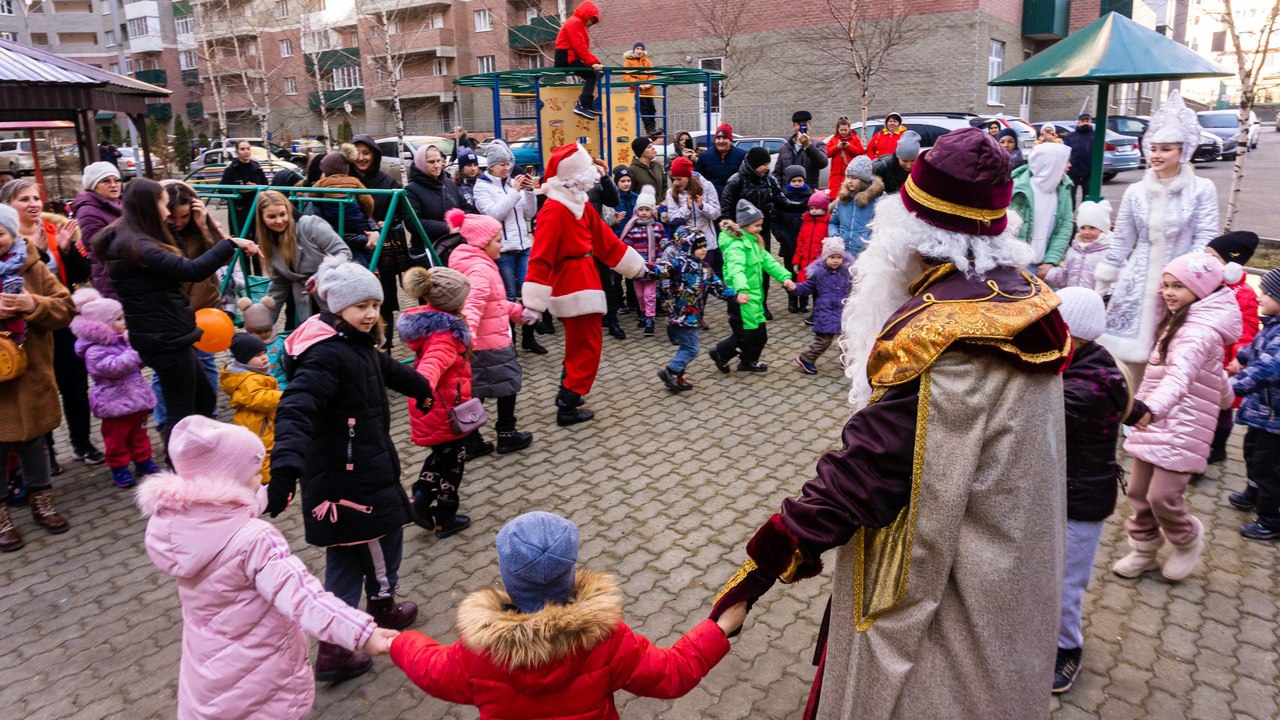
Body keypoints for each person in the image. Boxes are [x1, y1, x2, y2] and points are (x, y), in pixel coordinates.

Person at [708, 128, 1073, 720]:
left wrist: (757, 572)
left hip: (947, 578)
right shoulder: (1026, 297)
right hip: (1012, 561)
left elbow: (862, 476)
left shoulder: (940, 337)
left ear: (909, 235)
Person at [136, 415, 399, 716]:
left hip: (210, 680)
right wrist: (361, 634)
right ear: (229, 480)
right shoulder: (256, 541)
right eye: (253, 473)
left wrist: (265, 498)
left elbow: (223, 509)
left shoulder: (177, 525)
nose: (260, 479)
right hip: (261, 681)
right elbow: (304, 598)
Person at [390, 511, 745, 716]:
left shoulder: (479, 652)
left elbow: (429, 669)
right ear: (571, 572)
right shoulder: (607, 639)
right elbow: (671, 674)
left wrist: (397, 643)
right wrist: (719, 628)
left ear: (507, 576)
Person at [265, 256, 433, 680]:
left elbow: (383, 368)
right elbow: (297, 407)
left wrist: (420, 387)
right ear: (336, 307)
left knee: (344, 561)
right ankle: (380, 610)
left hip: (347, 473)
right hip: (352, 480)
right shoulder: (326, 355)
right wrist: (284, 467)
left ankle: (335, 643)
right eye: (361, 306)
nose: (371, 314)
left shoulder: (351, 344)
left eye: (375, 305)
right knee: (380, 546)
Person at [96, 179, 258, 445]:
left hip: (169, 333)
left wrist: (177, 226)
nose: (168, 211)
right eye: (163, 203)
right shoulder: (140, 246)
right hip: (165, 339)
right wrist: (232, 243)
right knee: (181, 413)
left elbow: (180, 259)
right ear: (150, 206)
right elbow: (190, 270)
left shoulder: (138, 237)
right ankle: (181, 469)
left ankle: (199, 450)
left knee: (204, 397)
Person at [1112, 253, 1238, 583]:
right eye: (1166, 285)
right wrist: (1226, 397)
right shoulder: (1180, 320)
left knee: (1162, 496)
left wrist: (1150, 411)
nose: (1168, 292)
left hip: (1182, 425)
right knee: (1139, 492)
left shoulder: (1197, 332)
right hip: (1159, 421)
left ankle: (1186, 541)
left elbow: (1180, 377)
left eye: (1178, 286)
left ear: (1201, 289)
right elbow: (1211, 372)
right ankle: (1144, 550)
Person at [1051, 287, 1147, 694]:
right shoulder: (1087, 361)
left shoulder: (1084, 385)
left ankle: (1066, 649)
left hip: (1080, 502)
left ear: (1068, 332)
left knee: (1065, 584)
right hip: (1061, 493)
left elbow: (1044, 414)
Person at [520, 144, 646, 426]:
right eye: (587, 171)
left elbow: (605, 241)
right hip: (570, 282)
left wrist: (637, 267)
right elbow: (540, 257)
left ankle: (571, 393)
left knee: (583, 344)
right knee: (586, 345)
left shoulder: (580, 203)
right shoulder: (554, 209)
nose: (593, 176)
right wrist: (533, 302)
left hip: (585, 276)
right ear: (573, 176)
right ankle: (567, 402)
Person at [1095, 91, 1220, 374]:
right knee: (1125, 359)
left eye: (1166, 149)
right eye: (1153, 148)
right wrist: (1105, 277)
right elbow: (1123, 239)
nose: (1156, 155)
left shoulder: (1202, 189)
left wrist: (1183, 281)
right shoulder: (1136, 192)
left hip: (1183, 285)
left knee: (1173, 360)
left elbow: (1206, 238)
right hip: (1138, 282)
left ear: (1182, 151)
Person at [3, 179, 101, 469]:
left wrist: (67, 250)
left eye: (36, 197)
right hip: (24, 332)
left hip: (59, 319)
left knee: (75, 386)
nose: (34, 204)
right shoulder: (6, 239)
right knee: (38, 390)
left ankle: (82, 443)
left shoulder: (52, 229)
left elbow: (82, 274)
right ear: (8, 207)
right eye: (24, 199)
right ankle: (46, 455)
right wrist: (41, 254)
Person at [0, 203, 75, 552]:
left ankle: (41, 502)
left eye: (0, 233)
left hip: (30, 373)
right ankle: (1, 517)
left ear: (13, 234)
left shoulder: (33, 264)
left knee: (35, 443)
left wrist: (33, 306)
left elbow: (65, 308)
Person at [446, 209, 536, 456]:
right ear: (482, 243)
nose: (502, 245)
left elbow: (494, 303)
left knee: (477, 391)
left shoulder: (473, 263)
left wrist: (519, 312)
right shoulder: (480, 269)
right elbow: (472, 306)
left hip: (482, 342)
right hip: (490, 343)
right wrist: (468, 337)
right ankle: (507, 435)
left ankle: (471, 440)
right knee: (507, 387)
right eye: (497, 240)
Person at [398, 266, 476, 539]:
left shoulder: (435, 323)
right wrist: (423, 391)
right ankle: (444, 516)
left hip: (437, 407)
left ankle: (419, 499)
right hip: (441, 409)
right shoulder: (445, 335)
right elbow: (431, 367)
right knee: (453, 462)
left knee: (440, 456)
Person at [69, 288, 159, 490]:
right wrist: (136, 354)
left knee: (140, 433)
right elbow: (112, 368)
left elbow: (137, 363)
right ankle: (119, 467)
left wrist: (141, 353)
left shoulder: (123, 341)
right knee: (116, 439)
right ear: (103, 325)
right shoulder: (93, 350)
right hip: (113, 402)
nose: (124, 322)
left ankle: (143, 460)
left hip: (136, 399)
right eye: (118, 319)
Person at [708, 200, 796, 373]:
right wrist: (740, 291)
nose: (760, 229)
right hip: (741, 298)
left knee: (760, 335)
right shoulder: (736, 246)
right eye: (756, 225)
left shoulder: (754, 242)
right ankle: (720, 352)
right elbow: (735, 270)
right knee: (744, 335)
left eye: (760, 225)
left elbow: (768, 261)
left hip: (755, 297)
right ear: (744, 225)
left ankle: (748, 361)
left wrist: (785, 277)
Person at [472, 139, 541, 354]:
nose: (507, 167)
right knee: (508, 298)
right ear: (491, 165)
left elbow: (529, 213)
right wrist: (514, 192)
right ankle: (508, 344)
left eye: (508, 163)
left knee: (530, 295)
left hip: (524, 246)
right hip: (503, 251)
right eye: (502, 164)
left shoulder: (513, 183)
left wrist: (528, 192)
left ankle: (529, 339)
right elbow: (493, 215)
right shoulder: (481, 187)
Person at [720, 146, 807, 315]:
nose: (768, 167)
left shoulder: (769, 180)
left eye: (768, 163)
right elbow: (726, 210)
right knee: (743, 267)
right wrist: (733, 232)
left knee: (763, 264)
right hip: (740, 232)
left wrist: (802, 206)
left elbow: (781, 201)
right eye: (764, 164)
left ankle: (762, 303)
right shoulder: (736, 181)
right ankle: (740, 300)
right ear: (754, 164)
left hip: (761, 229)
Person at [1227, 268, 1280, 541]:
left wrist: (1233, 388)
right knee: (1251, 452)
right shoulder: (1272, 326)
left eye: (1268, 294)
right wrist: (1242, 357)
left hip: (1276, 420)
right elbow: (1257, 348)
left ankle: (1271, 520)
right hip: (1263, 414)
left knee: (1269, 466)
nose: (1260, 298)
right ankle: (1253, 492)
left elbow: (1268, 368)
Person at [654, 227, 740, 392]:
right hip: (680, 315)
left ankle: (676, 374)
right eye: (699, 247)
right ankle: (671, 371)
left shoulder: (705, 268)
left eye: (704, 246)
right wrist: (639, 268)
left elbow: (718, 286)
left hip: (692, 315)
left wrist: (735, 295)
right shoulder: (677, 263)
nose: (703, 250)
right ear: (688, 247)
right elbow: (658, 270)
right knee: (692, 348)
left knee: (687, 346)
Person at [254, 190, 351, 326]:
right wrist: (263, 324)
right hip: (302, 300)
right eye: (271, 217)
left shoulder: (310, 224)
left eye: (283, 214)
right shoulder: (267, 242)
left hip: (330, 292)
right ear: (262, 218)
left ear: (288, 210)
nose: (279, 221)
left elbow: (343, 252)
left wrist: (320, 275)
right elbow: (279, 282)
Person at [1205, 230, 1261, 464]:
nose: (1207, 261)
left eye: (1214, 258)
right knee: (1204, 404)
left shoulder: (1243, 294)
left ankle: (1216, 450)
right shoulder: (1205, 284)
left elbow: (1246, 331)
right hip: (1205, 356)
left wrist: (1238, 358)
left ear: (1232, 264)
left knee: (1221, 408)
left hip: (1226, 362)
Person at [219, 333, 281, 486]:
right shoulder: (249, 379)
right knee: (263, 450)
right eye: (258, 356)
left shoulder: (253, 373)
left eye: (264, 353)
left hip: (263, 419)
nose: (265, 358)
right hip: (258, 422)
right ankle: (266, 482)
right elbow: (259, 399)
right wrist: (283, 396)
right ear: (245, 359)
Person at [305, 147, 379, 266]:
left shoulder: (322, 183)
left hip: (333, 219)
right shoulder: (354, 181)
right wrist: (367, 215)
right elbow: (368, 200)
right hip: (356, 222)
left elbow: (311, 195)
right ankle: (373, 269)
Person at [1010, 142, 1074, 278]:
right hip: (1016, 268)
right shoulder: (1017, 190)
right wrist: (1015, 264)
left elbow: (1064, 228)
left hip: (1044, 269)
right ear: (1050, 163)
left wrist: (1051, 261)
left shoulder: (1063, 189)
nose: (1069, 166)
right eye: (1065, 161)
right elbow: (1008, 232)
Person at [791, 237, 853, 375]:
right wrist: (794, 288)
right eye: (832, 257)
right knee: (823, 341)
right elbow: (806, 287)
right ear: (825, 257)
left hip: (842, 312)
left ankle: (847, 362)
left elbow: (852, 287)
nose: (836, 260)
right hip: (825, 313)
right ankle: (806, 358)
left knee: (847, 340)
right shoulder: (819, 274)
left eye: (839, 257)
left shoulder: (846, 273)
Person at [617, 185, 669, 336]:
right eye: (641, 210)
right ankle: (643, 312)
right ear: (636, 211)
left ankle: (649, 320)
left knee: (650, 294)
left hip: (652, 267)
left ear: (652, 211)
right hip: (637, 268)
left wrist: (660, 256)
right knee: (639, 295)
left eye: (647, 210)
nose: (644, 213)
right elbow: (628, 246)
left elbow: (662, 243)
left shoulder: (658, 227)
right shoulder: (632, 228)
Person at [71, 161, 124, 298]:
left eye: (117, 180)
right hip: (109, 277)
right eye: (106, 181)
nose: (113, 185)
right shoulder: (88, 209)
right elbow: (95, 243)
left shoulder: (123, 204)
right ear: (93, 186)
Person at [404, 144, 467, 252]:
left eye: (439, 161)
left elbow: (465, 206)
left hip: (454, 245)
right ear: (421, 163)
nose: (437, 165)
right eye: (431, 162)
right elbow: (413, 223)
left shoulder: (449, 184)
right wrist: (447, 228)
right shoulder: (411, 190)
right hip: (428, 249)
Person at [1044, 199, 1115, 290]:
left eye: (1092, 228)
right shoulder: (1074, 249)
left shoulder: (1110, 252)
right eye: (1082, 228)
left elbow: (1118, 280)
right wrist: (1050, 274)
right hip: (1075, 298)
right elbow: (1065, 277)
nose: (1086, 232)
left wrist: (1107, 296)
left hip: (1097, 300)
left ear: (1102, 229)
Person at [664, 156, 721, 264]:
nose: (676, 182)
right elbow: (673, 218)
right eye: (674, 179)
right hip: (685, 246)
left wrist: (702, 206)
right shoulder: (671, 193)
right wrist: (687, 208)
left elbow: (716, 213)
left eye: (679, 179)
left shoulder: (707, 186)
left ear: (688, 176)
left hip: (706, 245)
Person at [553, 0, 604, 119]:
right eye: (591, 20)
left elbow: (582, 48)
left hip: (570, 56)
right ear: (586, 14)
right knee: (592, 75)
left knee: (594, 75)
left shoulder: (578, 24)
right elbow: (580, 47)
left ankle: (587, 103)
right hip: (566, 57)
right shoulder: (574, 23)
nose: (590, 23)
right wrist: (594, 63)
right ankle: (582, 104)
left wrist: (595, 62)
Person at [773, 165, 813, 312]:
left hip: (805, 245)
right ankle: (791, 300)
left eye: (800, 180)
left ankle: (803, 300)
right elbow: (774, 219)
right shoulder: (781, 198)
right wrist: (780, 236)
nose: (797, 183)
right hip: (788, 242)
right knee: (789, 273)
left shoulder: (809, 198)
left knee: (804, 274)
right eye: (794, 181)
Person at [219, 140, 269, 236]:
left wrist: (256, 187)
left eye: (248, 149)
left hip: (255, 208)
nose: (246, 151)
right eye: (242, 149)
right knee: (241, 238)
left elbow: (265, 185)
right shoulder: (231, 169)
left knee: (258, 238)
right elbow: (222, 190)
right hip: (239, 211)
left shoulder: (257, 167)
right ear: (237, 152)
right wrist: (239, 191)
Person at [829, 155, 875, 258]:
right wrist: (836, 237)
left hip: (865, 253)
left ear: (864, 180)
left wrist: (869, 241)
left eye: (854, 178)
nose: (849, 181)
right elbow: (833, 222)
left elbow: (879, 227)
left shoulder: (874, 200)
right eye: (848, 177)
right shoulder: (843, 199)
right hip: (843, 252)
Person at [239, 296, 288, 390]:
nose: (264, 334)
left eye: (267, 330)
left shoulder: (280, 343)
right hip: (258, 385)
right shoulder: (246, 346)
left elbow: (287, 364)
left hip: (280, 382)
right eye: (258, 332)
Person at [862, 130, 920, 206]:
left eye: (913, 161)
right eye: (904, 161)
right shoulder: (882, 168)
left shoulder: (919, 170)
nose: (908, 165)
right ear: (898, 157)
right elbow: (870, 195)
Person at [773, 111, 828, 189]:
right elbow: (777, 173)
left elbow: (823, 163)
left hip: (808, 193)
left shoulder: (818, 145)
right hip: (788, 194)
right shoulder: (785, 148)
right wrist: (779, 191)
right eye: (798, 124)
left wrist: (808, 146)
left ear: (810, 125)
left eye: (804, 124)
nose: (801, 127)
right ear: (794, 126)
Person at [696, 123, 747, 207]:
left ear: (730, 140)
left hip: (734, 202)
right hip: (712, 203)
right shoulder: (705, 156)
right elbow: (698, 178)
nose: (721, 141)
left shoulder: (741, 155)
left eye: (725, 138)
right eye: (718, 138)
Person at [623, 41, 658, 135]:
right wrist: (638, 85)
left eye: (641, 49)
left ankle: (653, 128)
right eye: (637, 49)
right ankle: (649, 129)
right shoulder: (628, 62)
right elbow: (627, 77)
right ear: (634, 50)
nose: (640, 51)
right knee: (644, 109)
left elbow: (653, 76)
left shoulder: (647, 62)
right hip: (637, 91)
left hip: (648, 91)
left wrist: (648, 84)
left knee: (652, 109)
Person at [824, 116, 865, 196]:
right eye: (841, 130)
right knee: (834, 198)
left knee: (848, 197)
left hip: (850, 176)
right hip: (835, 176)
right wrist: (836, 147)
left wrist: (849, 146)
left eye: (845, 130)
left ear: (849, 128)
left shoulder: (855, 139)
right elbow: (826, 153)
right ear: (837, 129)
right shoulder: (833, 139)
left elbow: (860, 152)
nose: (843, 132)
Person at [1064, 113, 1097, 207]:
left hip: (1089, 172)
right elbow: (1065, 153)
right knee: (1070, 196)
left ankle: (1085, 217)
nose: (1085, 123)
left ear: (1090, 122)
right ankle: (1070, 216)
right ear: (1078, 122)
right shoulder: (1071, 136)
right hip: (1073, 171)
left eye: (1087, 121)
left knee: (1088, 197)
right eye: (1083, 121)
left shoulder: (1096, 136)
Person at [627, 136, 665, 201]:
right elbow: (630, 193)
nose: (653, 148)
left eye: (652, 146)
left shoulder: (657, 166)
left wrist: (663, 200)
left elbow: (664, 186)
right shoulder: (632, 170)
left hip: (660, 208)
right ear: (641, 152)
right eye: (649, 147)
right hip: (643, 209)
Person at [454, 148, 481, 213]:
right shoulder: (456, 187)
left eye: (475, 165)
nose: (473, 168)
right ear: (461, 169)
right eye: (469, 165)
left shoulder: (483, 183)